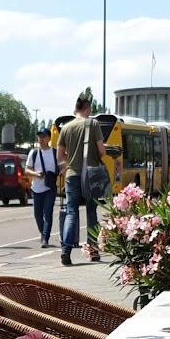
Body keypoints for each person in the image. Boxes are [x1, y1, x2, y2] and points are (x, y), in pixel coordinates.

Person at [56, 95, 108, 266]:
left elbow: (60, 155)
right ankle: (93, 252)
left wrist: (67, 165)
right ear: (87, 108)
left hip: (72, 175)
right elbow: (102, 151)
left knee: (71, 211)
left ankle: (66, 251)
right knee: (91, 213)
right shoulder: (93, 124)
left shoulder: (66, 128)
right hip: (90, 176)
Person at [27, 127, 59, 248]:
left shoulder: (54, 152)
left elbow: (62, 166)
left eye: (44, 136)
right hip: (36, 188)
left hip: (49, 188)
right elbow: (27, 169)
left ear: (49, 138)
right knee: (37, 215)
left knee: (47, 213)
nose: (41, 139)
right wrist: (35, 174)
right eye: (39, 136)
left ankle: (45, 238)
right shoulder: (33, 153)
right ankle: (43, 233)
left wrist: (61, 171)